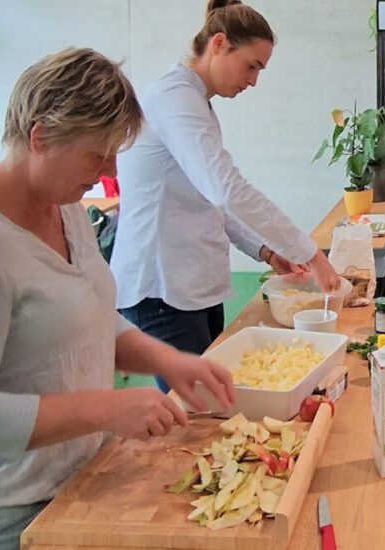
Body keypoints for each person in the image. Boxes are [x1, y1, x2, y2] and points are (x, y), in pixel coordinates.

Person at [0, 47, 237, 549]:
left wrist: (171, 361)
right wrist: (104, 409)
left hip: (67, 484)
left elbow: (92, 317)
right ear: (40, 137)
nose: (108, 171)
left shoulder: (66, 209)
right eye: (96, 154)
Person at [112, 0, 340, 396]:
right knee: (204, 409)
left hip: (190, 283)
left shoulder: (196, 101)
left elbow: (209, 197)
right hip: (162, 287)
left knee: (221, 397)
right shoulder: (175, 99)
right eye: (251, 66)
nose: (253, 80)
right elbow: (227, 189)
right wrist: (311, 254)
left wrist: (266, 250)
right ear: (219, 44)